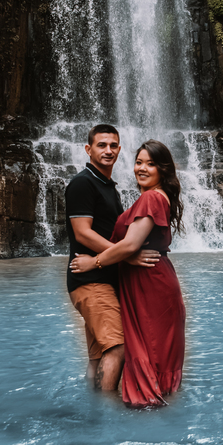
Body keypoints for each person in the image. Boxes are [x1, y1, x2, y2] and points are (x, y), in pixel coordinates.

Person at [70, 139, 186, 407]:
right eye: (138, 162)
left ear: (163, 169)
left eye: (151, 164)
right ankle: (155, 416)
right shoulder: (156, 196)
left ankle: (114, 417)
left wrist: (94, 262)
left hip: (150, 284)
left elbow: (131, 245)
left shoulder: (151, 198)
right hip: (148, 281)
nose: (141, 168)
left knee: (150, 349)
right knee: (152, 352)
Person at [65, 124, 161, 392]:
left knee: (98, 356)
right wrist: (126, 255)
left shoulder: (107, 186)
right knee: (118, 348)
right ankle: (106, 411)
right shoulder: (83, 183)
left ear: (119, 149)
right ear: (88, 149)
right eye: (101, 145)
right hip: (91, 281)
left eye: (113, 145)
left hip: (101, 279)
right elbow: (82, 233)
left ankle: (91, 407)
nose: (108, 150)